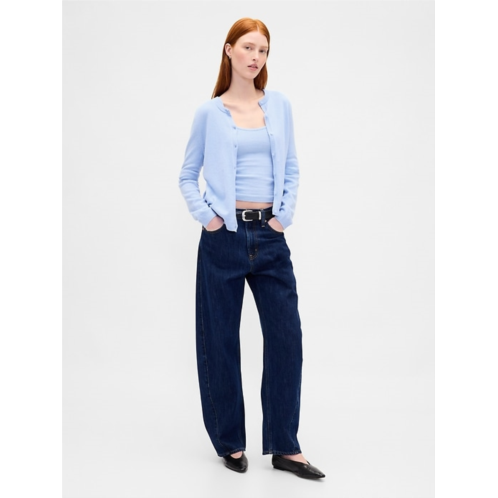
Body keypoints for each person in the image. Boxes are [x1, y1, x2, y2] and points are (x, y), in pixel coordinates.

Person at [179, 18, 325, 480]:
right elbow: (187, 175)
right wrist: (210, 218)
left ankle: (285, 446)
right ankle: (230, 442)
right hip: (223, 238)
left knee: (286, 339)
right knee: (219, 340)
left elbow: (293, 166)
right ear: (229, 50)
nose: (255, 57)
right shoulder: (209, 113)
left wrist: (283, 216)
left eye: (262, 50)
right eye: (247, 47)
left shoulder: (278, 106)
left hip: (270, 236)